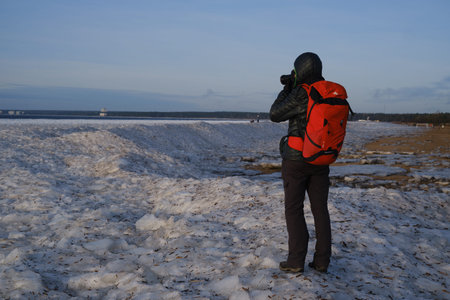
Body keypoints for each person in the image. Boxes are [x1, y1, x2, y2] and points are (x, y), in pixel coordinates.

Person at [270, 52, 332, 273]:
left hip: (297, 159)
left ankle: (296, 261)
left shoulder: (301, 92)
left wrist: (287, 87)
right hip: (321, 158)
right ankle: (322, 261)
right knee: (320, 210)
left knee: (294, 209)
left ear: (300, 69)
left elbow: (275, 113)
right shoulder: (327, 91)